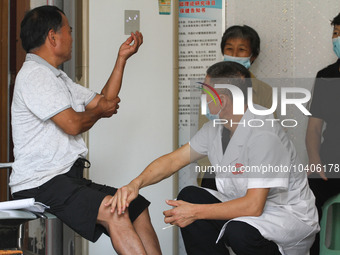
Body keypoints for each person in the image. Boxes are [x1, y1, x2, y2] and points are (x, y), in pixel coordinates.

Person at [109, 61, 319, 255]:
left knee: (238, 232)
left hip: (285, 215)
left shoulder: (264, 133)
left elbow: (254, 206)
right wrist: (135, 184)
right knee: (190, 196)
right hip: (249, 208)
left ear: (223, 100)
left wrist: (195, 213)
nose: (203, 98)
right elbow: (173, 161)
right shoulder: (216, 129)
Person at [9, 5, 161, 255]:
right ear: (52, 36)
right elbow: (73, 123)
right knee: (117, 212)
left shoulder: (57, 78)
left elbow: (103, 102)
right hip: (41, 182)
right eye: (68, 30)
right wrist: (101, 110)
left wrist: (121, 58)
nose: (71, 37)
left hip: (63, 179)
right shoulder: (35, 76)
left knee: (135, 206)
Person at [199, 25, 275, 190]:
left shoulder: (264, 91)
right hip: (215, 167)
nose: (234, 55)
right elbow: (203, 132)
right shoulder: (210, 87)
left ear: (253, 56)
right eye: (229, 49)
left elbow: (270, 134)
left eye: (241, 50)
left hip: (249, 167)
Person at [306, 12, 340, 255]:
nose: (337, 38)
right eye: (336, 33)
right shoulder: (326, 76)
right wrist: (315, 160)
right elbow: (314, 128)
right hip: (331, 162)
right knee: (310, 212)